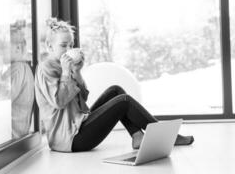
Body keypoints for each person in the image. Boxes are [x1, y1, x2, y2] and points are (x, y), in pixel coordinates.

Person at [35, 18, 194, 152]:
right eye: (64, 45)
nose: (69, 49)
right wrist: (65, 73)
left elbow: (83, 98)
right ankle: (167, 136)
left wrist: (76, 72)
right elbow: (59, 102)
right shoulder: (45, 69)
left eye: (71, 45)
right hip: (70, 140)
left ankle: (137, 136)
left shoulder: (64, 65)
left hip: (79, 124)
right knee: (123, 101)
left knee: (115, 91)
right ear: (49, 46)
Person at [9, 20, 35, 139]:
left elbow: (6, 98)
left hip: (13, 134)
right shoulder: (24, 68)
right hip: (20, 133)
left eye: (4, 46)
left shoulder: (17, 69)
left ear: (18, 48)